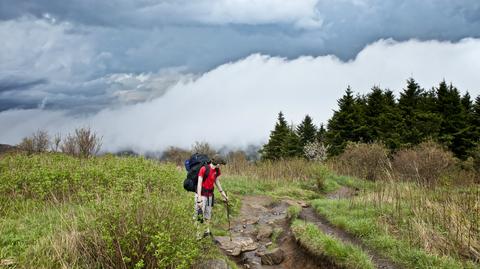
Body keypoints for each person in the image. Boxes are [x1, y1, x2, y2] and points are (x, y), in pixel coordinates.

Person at [195, 154, 228, 238]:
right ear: (217, 163)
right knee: (199, 214)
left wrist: (222, 192)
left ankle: (207, 231)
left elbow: (216, 180)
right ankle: (198, 235)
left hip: (210, 195)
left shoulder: (217, 171)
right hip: (201, 194)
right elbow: (199, 184)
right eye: (220, 164)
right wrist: (199, 199)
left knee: (208, 214)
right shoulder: (204, 169)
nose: (220, 166)